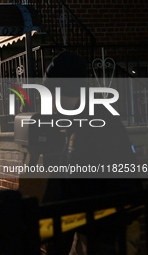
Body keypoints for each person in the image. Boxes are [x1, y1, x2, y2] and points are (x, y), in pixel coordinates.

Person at [41, 51, 143, 254]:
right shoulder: (81, 123)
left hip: (108, 232)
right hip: (95, 228)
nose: (51, 100)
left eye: (54, 93)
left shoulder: (97, 124)